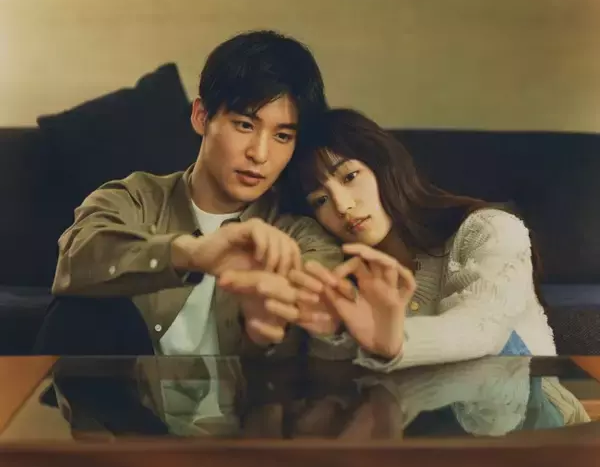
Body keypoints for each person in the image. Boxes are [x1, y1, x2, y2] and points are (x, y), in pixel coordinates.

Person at [33, 30, 344, 358]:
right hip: (131, 387)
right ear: (201, 117)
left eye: (282, 136)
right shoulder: (135, 198)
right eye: (245, 125)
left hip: (246, 390)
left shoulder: (300, 234)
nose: (260, 154)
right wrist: (191, 254)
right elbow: (76, 260)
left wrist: (267, 323)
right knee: (77, 310)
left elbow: (323, 311)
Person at [255, 107, 558, 372]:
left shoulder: (489, 229)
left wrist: (393, 341)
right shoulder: (347, 279)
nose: (343, 206)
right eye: (320, 200)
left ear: (384, 165)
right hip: (416, 417)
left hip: (535, 412)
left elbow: (483, 327)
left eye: (350, 177)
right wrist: (332, 331)